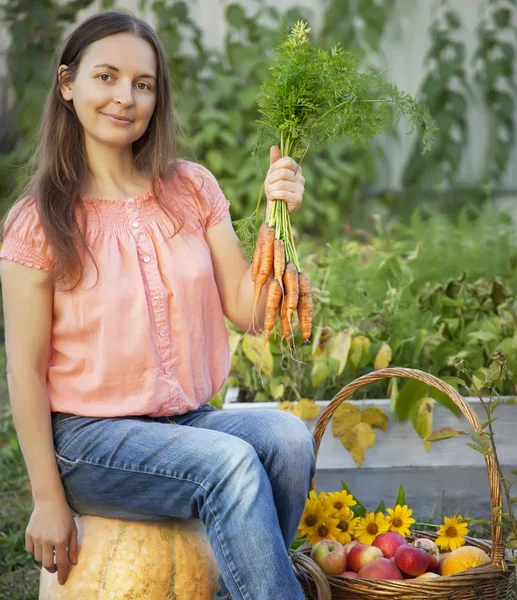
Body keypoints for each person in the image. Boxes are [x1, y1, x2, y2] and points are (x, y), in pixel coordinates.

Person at [0, 9, 316, 600]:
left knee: (289, 440)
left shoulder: (191, 187)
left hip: (185, 422)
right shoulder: (38, 222)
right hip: (88, 441)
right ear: (68, 84)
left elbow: (248, 312)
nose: (126, 97)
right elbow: (23, 371)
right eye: (107, 77)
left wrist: (280, 218)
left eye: (143, 84)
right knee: (229, 466)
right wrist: (46, 499)